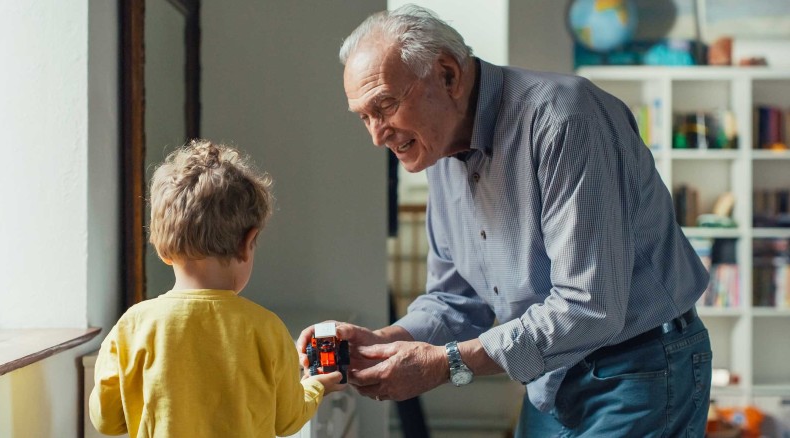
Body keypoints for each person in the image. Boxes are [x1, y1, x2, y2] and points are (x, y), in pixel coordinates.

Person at [298, 5, 712, 436]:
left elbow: (589, 308)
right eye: (364, 116)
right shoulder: (436, 145)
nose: (376, 134)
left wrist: (448, 364)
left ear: (447, 75)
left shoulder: (564, 119)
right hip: (550, 377)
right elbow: (455, 301)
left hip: (640, 368)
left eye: (384, 105)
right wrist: (381, 342)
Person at [90, 139, 345, 437]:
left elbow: (107, 421)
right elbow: (286, 421)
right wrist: (315, 386)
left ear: (161, 248)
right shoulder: (266, 329)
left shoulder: (133, 326)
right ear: (247, 243)